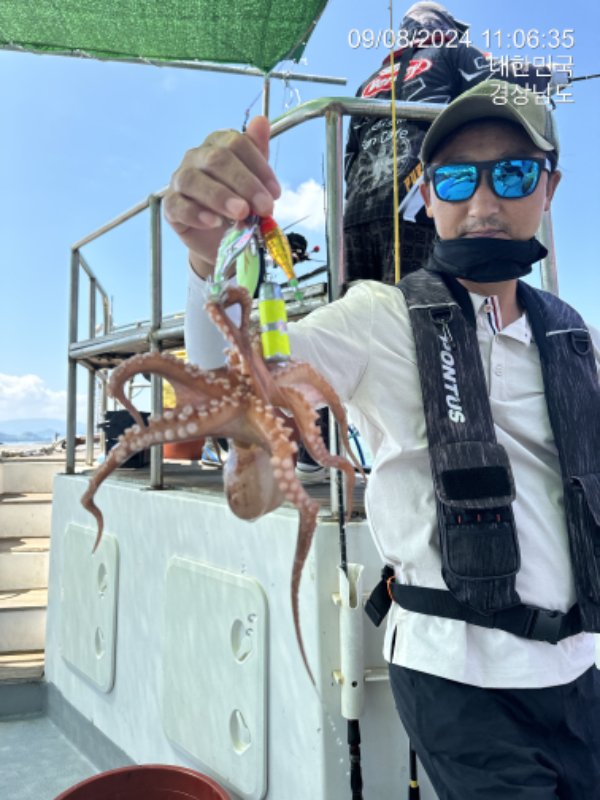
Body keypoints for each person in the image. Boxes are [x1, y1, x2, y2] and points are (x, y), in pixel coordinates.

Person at [165, 80, 600, 797]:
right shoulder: (377, 319)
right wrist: (213, 265)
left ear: (549, 187)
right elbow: (239, 385)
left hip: (582, 672)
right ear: (426, 195)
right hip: (456, 679)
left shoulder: (576, 336)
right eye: (456, 179)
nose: (483, 203)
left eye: (514, 174)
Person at [343, 1, 550, 285]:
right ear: (440, 27)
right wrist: (552, 76)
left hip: (355, 212)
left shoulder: (367, 84)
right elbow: (501, 77)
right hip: (415, 203)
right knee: (415, 305)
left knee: (356, 307)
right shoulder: (451, 52)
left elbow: (349, 155)